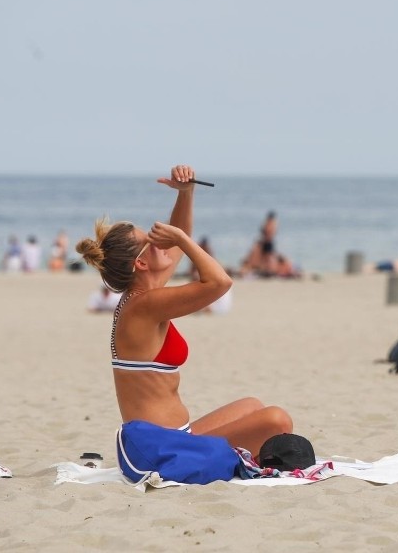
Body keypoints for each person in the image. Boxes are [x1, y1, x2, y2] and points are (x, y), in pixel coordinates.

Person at [75, 165, 292, 455]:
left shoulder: (144, 293)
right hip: (162, 450)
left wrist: (186, 193)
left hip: (177, 437)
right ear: (140, 264)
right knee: (278, 420)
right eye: (152, 242)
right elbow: (220, 282)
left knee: (253, 405)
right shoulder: (144, 305)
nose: (162, 242)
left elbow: (180, 237)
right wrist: (183, 240)